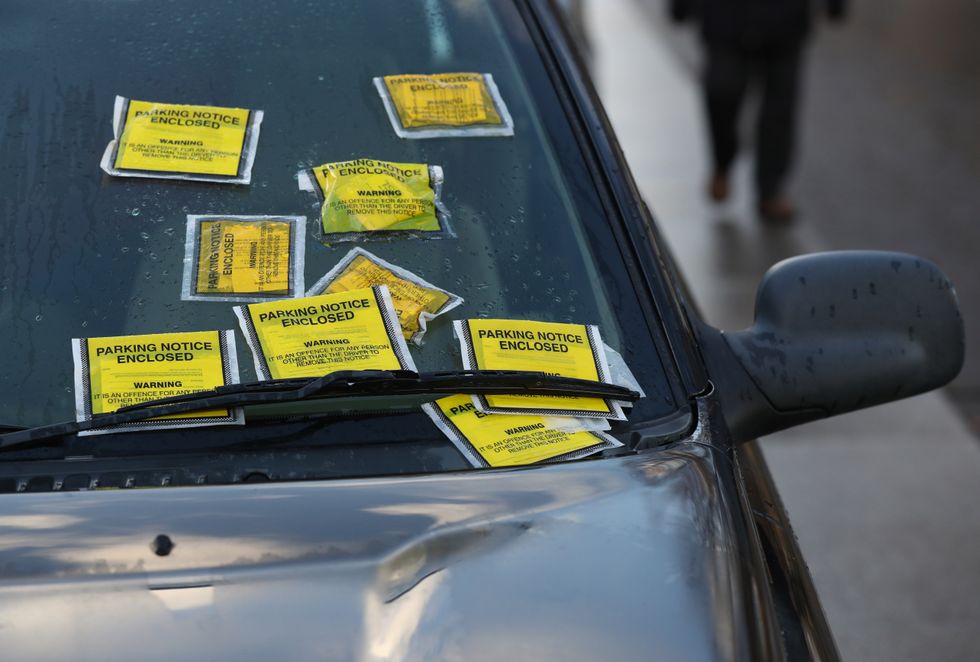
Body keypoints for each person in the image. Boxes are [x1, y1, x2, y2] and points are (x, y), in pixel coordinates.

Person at [670, 0, 847, 222]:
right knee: (721, 94)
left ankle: (770, 191)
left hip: (785, 21)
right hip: (723, 19)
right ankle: (722, 163)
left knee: (779, 111)